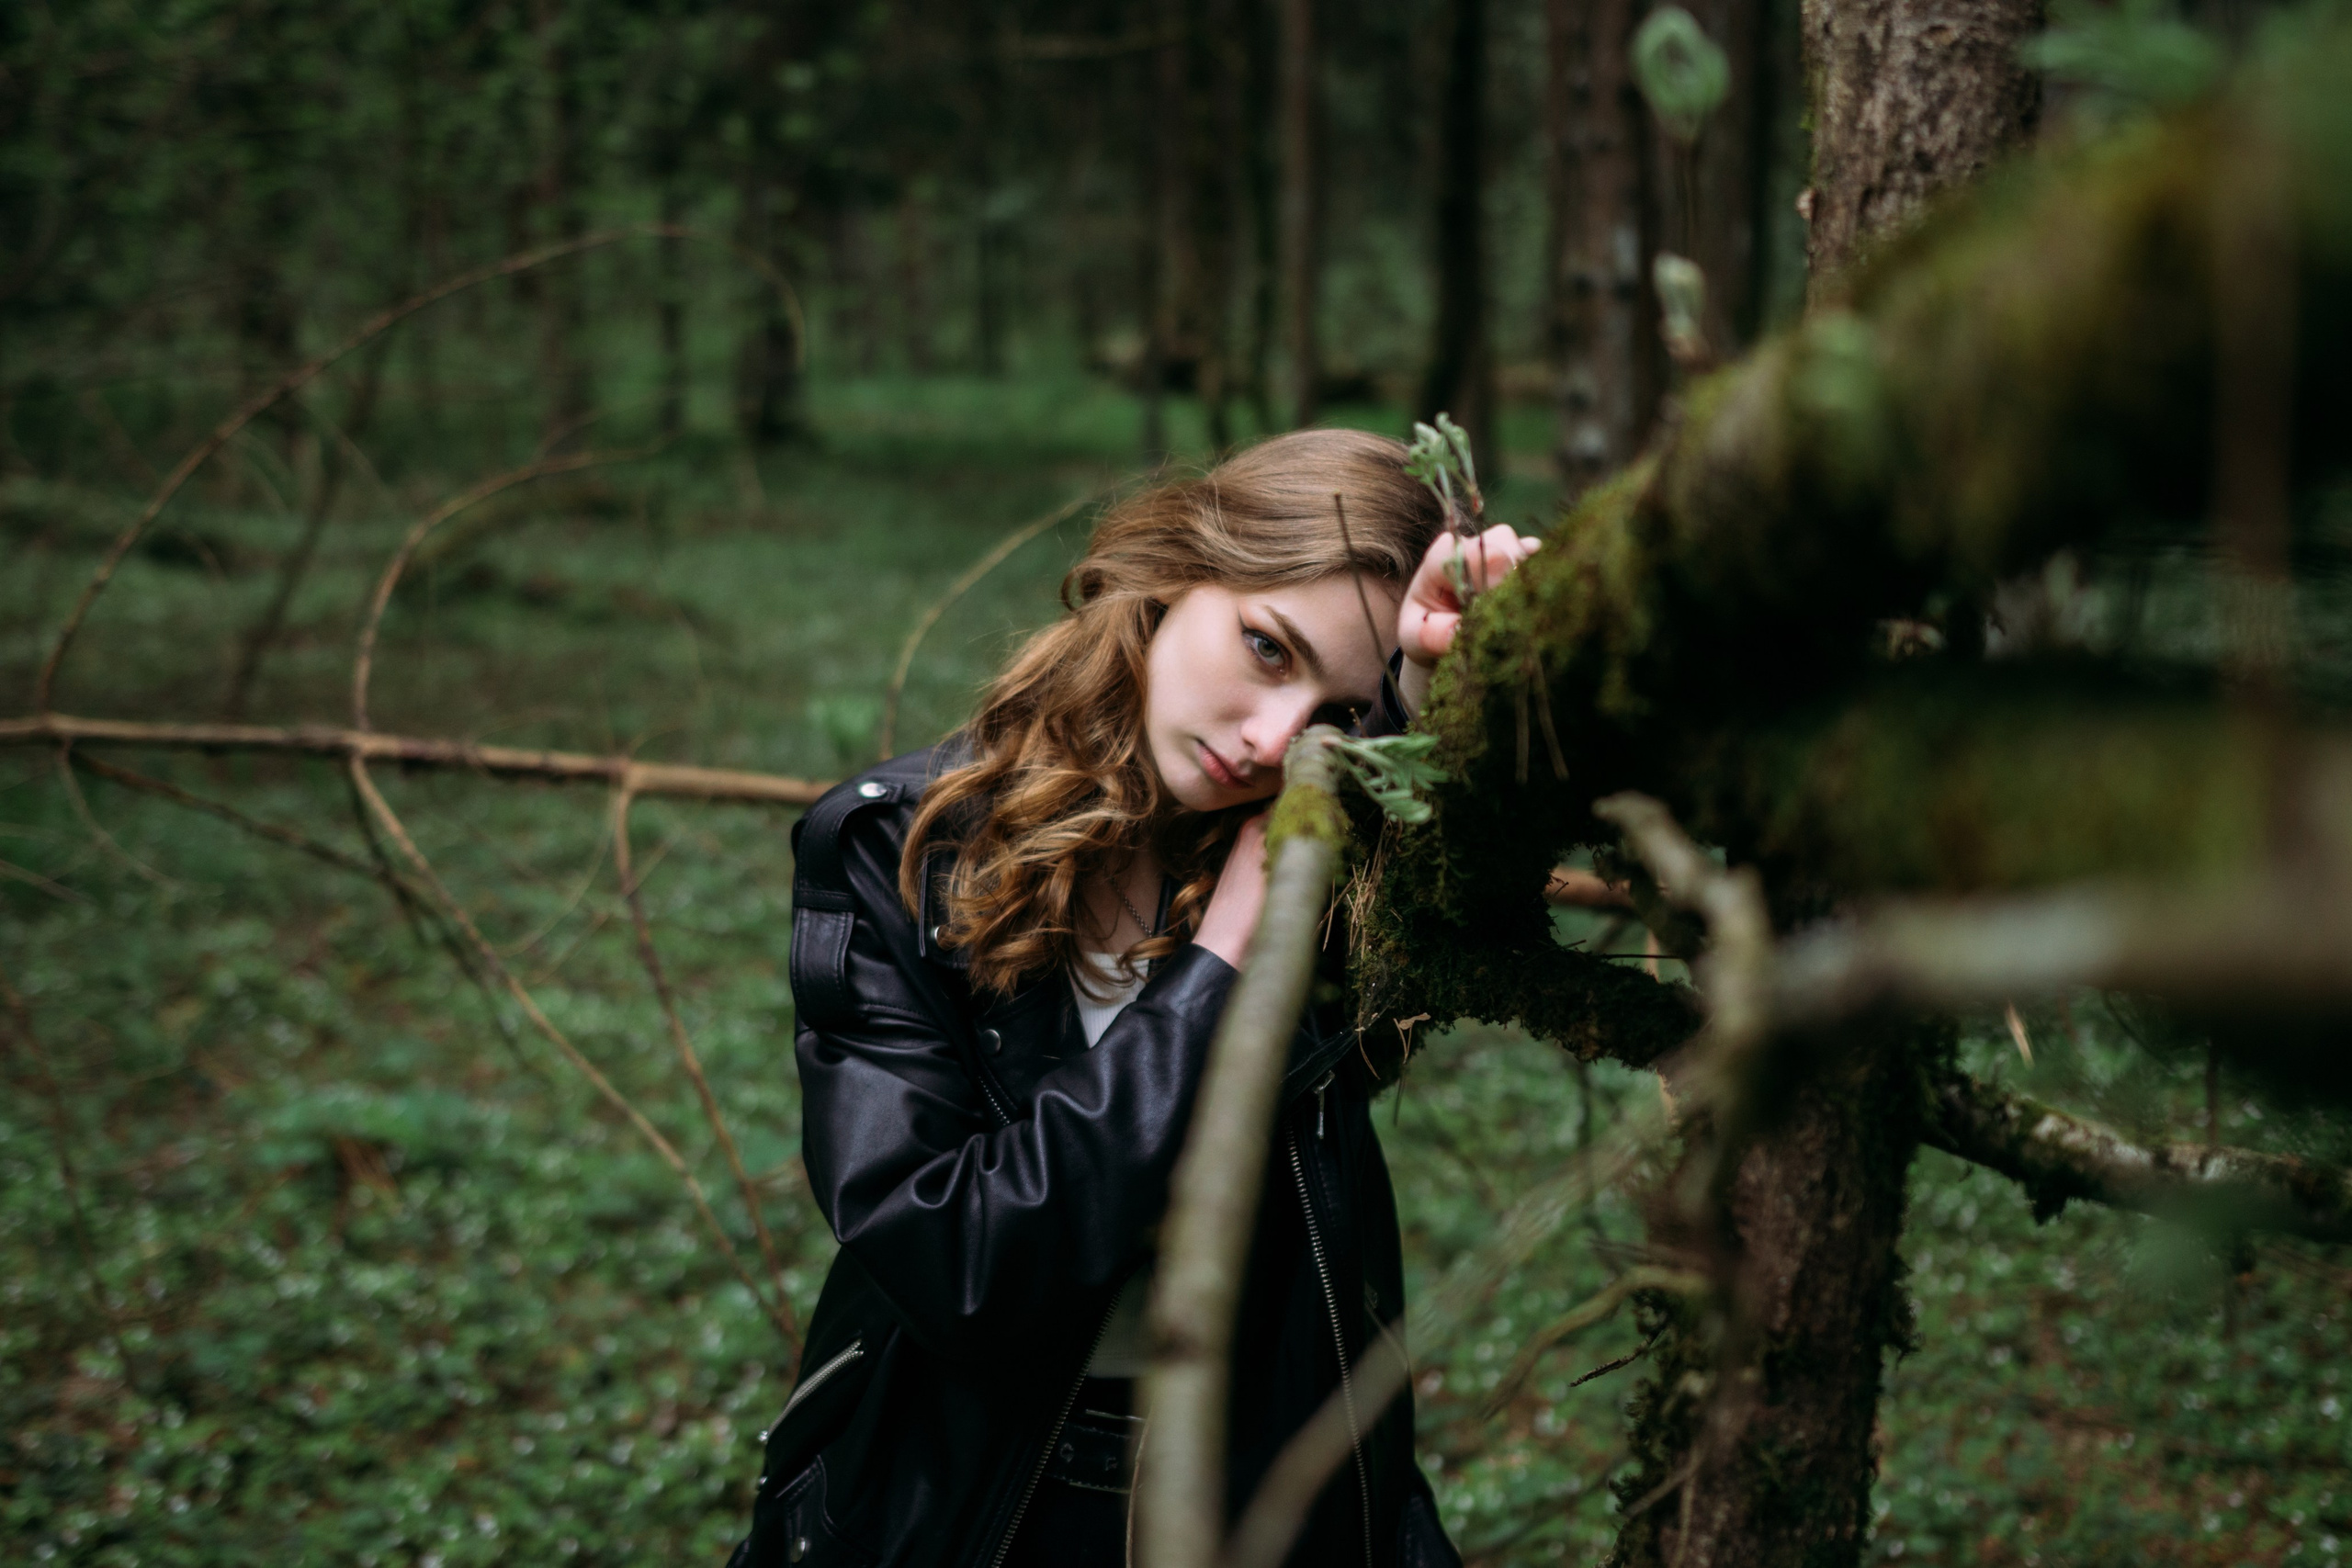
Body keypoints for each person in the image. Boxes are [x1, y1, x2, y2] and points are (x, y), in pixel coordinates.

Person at [729, 428, 1540, 1568]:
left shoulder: (1331, 853)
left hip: (1258, 1483)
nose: (1271, 742)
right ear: (1172, 569)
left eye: (1334, 715)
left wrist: (1444, 692)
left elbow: (1460, 887)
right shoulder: (898, 854)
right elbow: (960, 1264)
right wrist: (1214, 969)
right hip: (958, 1501)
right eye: (1266, 648)